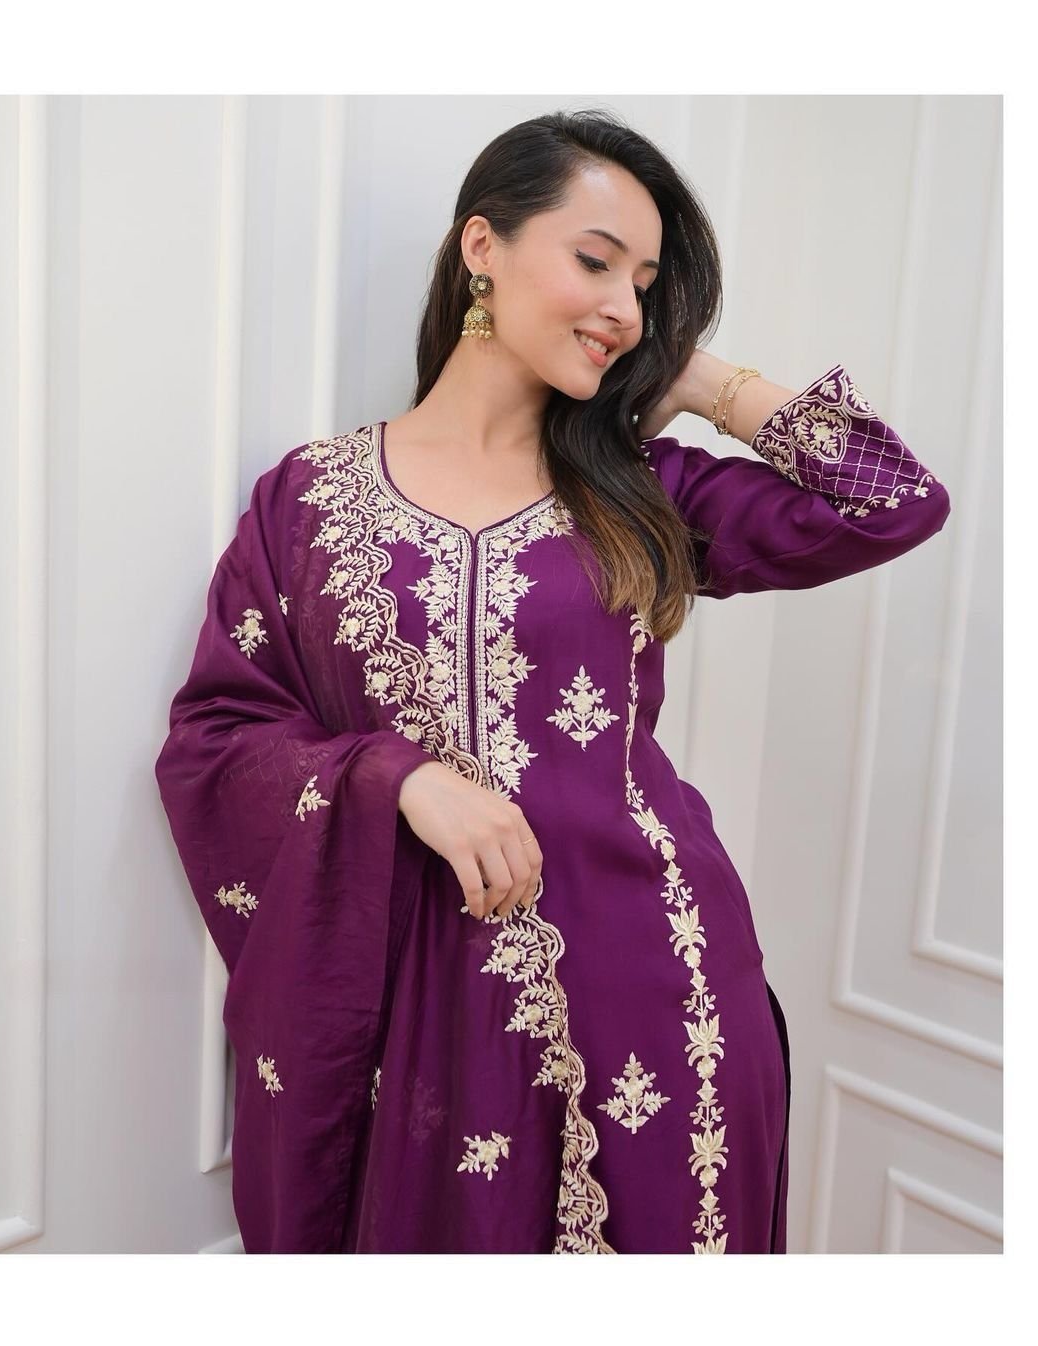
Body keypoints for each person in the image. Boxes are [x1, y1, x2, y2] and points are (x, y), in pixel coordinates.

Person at [154, 109, 950, 1254]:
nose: (624, 307)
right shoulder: (309, 501)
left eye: (646, 285)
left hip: (658, 988)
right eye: (594, 260)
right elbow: (218, 732)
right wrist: (400, 778)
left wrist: (699, 378)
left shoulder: (643, 491)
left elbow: (896, 500)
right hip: (419, 1017)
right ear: (482, 245)